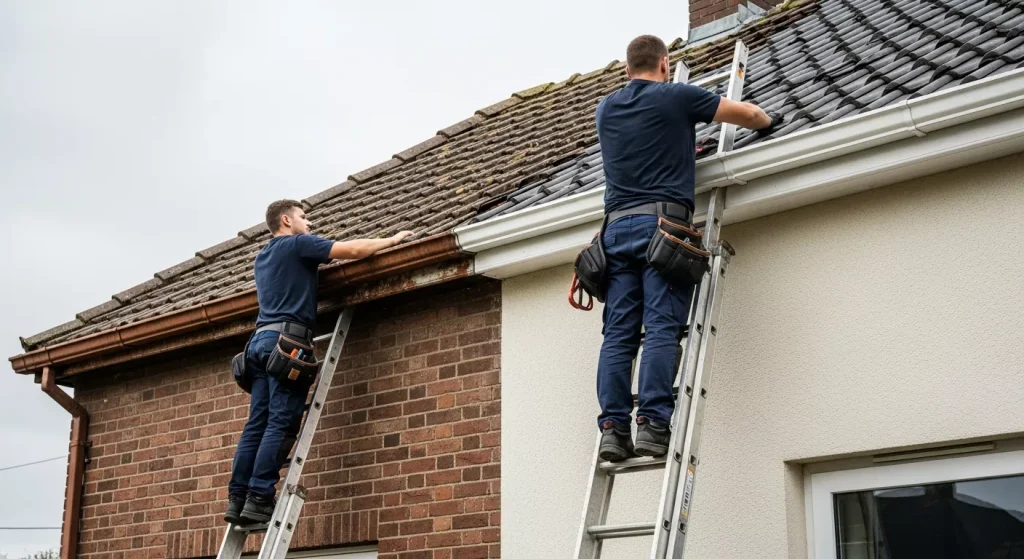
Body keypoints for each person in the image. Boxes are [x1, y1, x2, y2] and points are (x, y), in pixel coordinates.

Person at [594, 35, 781, 461]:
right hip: (663, 229)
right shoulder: (675, 96)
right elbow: (748, 114)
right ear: (665, 63)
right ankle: (654, 425)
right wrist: (770, 124)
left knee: (619, 335)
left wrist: (680, 148)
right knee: (661, 326)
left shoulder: (606, 108)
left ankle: (612, 429)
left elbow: (642, 147)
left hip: (616, 232)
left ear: (626, 70)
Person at [225, 199, 413, 524]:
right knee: (279, 423)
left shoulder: (262, 257)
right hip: (287, 344)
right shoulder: (298, 244)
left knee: (255, 425)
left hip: (258, 344)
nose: (309, 223)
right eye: (303, 216)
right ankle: (259, 497)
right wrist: (392, 240)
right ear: (286, 220)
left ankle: (238, 499)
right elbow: (353, 251)